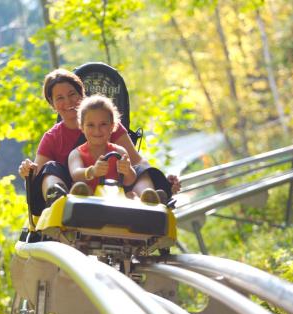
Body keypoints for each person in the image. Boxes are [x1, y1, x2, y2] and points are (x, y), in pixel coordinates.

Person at [18, 68, 179, 216]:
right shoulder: (52, 138)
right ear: (52, 104)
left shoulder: (108, 124)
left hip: (116, 189)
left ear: (81, 94)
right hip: (75, 192)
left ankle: (148, 199)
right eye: (60, 98)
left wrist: (163, 181)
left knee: (141, 169)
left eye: (72, 94)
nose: (68, 101)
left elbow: (137, 162)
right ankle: (59, 201)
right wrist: (28, 172)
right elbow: (36, 179)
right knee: (49, 169)